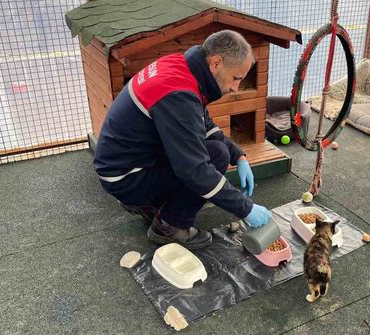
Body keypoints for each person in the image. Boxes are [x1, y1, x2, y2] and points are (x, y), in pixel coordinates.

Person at [93, 30, 271, 249]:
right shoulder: (178, 95)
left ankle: (149, 205)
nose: (235, 87)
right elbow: (195, 171)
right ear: (216, 63)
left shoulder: (180, 67)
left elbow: (204, 125)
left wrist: (239, 156)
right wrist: (246, 208)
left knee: (217, 150)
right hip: (126, 178)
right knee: (215, 156)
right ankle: (168, 227)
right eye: (236, 78)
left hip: (123, 165)